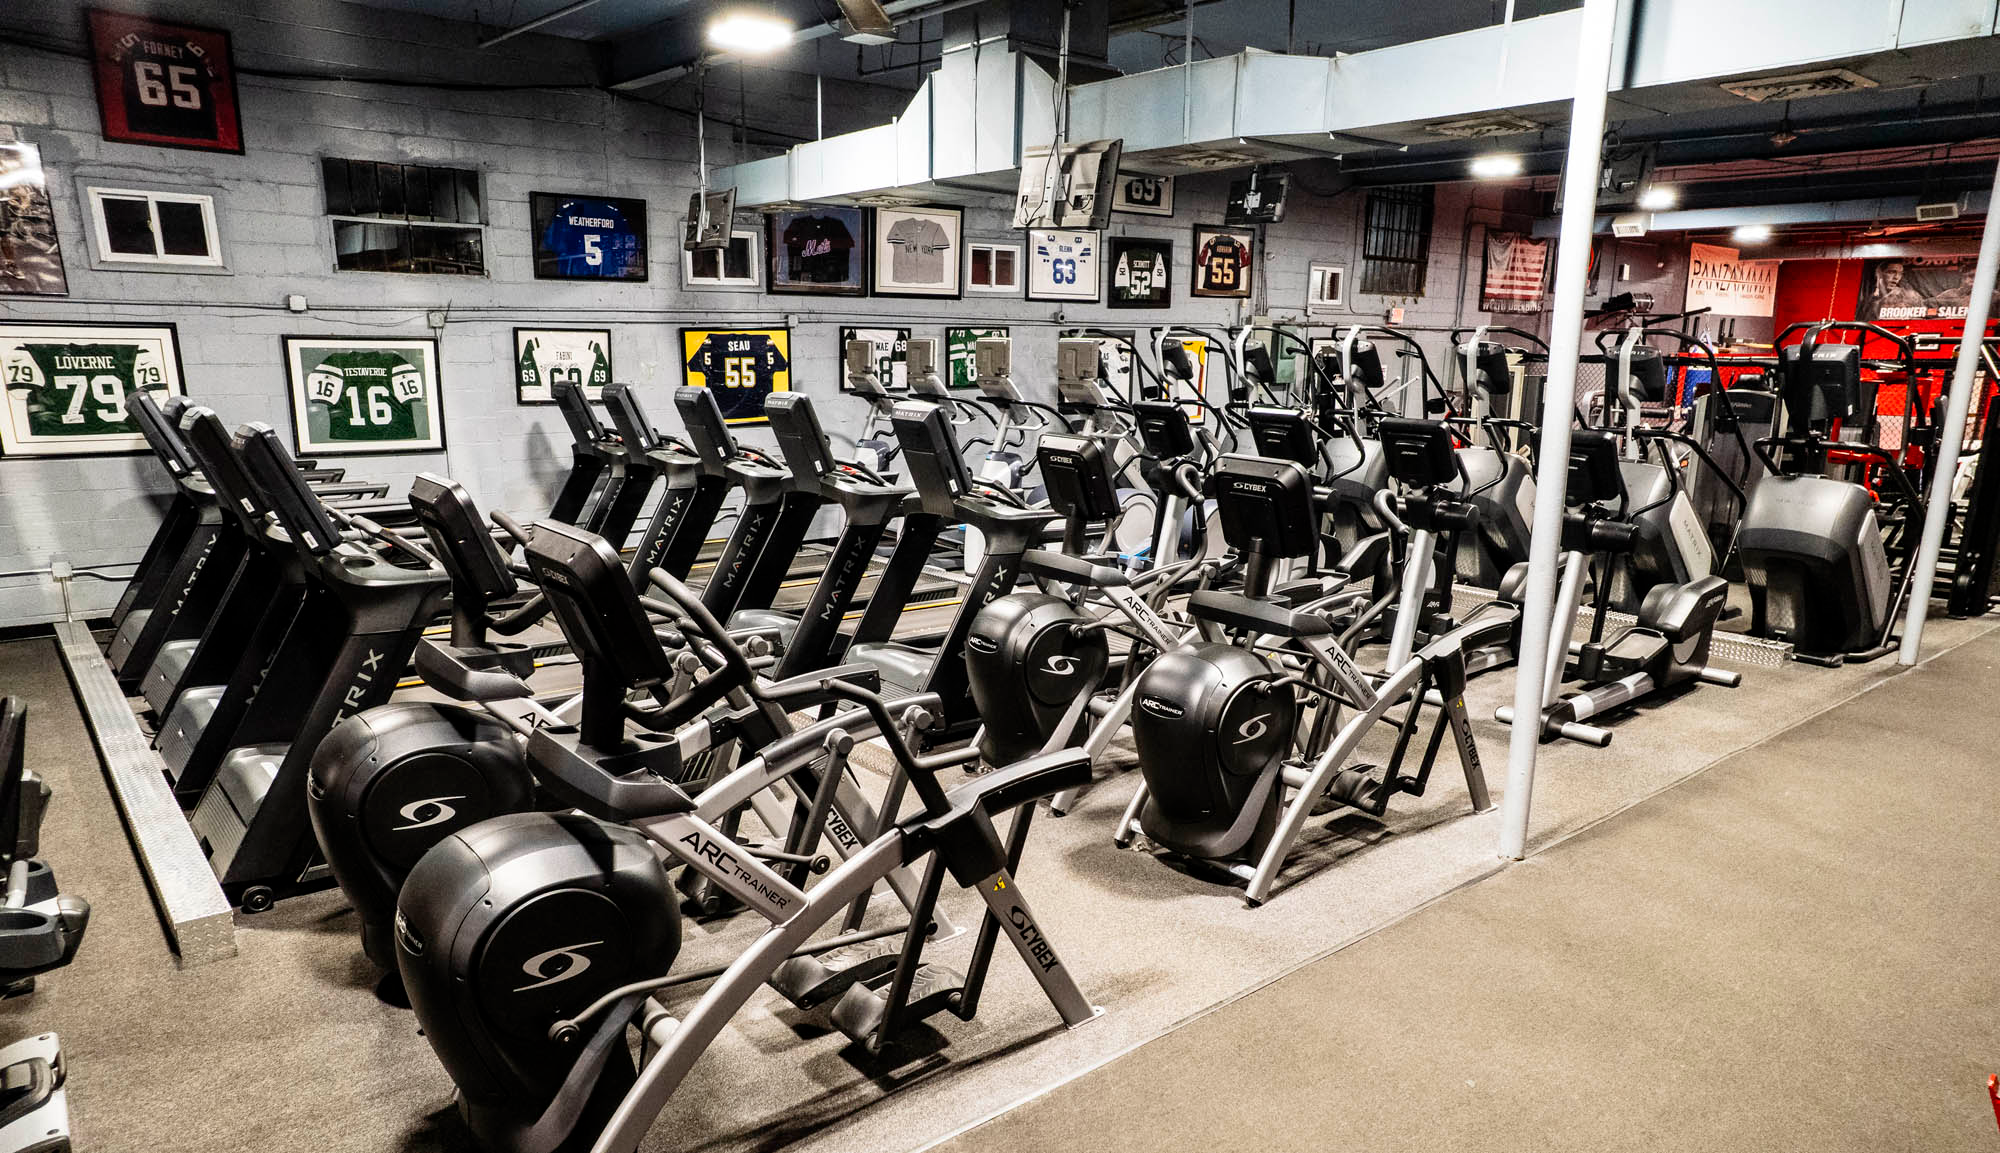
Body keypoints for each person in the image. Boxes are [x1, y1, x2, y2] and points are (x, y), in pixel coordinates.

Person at [1860, 260, 1925, 319]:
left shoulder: (1912, 297)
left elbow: (1920, 320)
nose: (1896, 277)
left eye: (1900, 273)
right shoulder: (1868, 301)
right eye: (1891, 272)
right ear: (1878, 274)